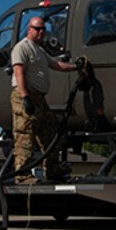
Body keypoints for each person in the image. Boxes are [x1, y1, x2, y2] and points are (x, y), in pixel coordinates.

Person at [11, 16, 77, 184]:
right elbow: (19, 72)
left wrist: (76, 66)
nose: (41, 32)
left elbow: (56, 65)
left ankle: (53, 169)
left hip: (39, 97)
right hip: (25, 95)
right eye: (37, 29)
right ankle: (22, 175)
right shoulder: (22, 48)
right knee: (25, 135)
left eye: (43, 29)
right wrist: (25, 97)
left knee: (50, 131)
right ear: (29, 29)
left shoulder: (39, 50)